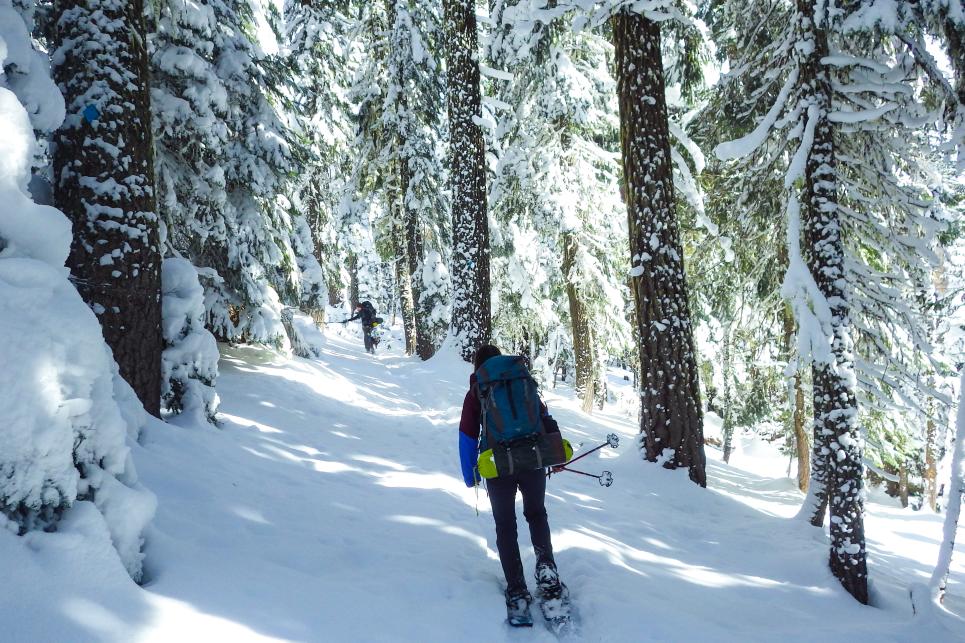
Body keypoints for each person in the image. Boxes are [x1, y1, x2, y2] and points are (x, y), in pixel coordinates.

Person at [458, 344, 566, 615]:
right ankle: (546, 569)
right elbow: (543, 416)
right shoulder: (521, 380)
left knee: (505, 526)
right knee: (537, 514)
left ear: (478, 367)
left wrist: (470, 475)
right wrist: (554, 454)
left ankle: (517, 588)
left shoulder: (477, 390)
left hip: (498, 464)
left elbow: (467, 435)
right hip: (533, 457)